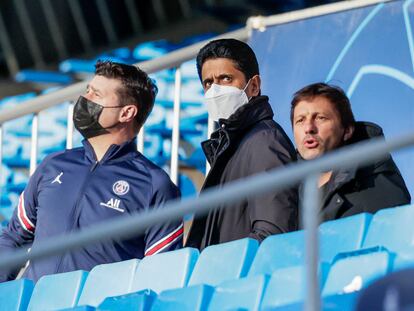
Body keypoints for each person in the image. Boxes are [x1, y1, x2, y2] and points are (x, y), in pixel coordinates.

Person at [0, 61, 183, 282]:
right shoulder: (53, 164)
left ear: (126, 112)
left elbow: (160, 273)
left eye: (96, 95)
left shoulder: (154, 184)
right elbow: (14, 238)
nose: (85, 99)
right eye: (87, 91)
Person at [185, 39, 298, 250]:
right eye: (208, 83)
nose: (215, 90)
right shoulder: (233, 145)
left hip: (241, 278)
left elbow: (272, 234)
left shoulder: (264, 141)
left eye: (226, 79)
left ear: (253, 85)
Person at [291, 82, 411, 222]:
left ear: (347, 130)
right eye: (300, 120)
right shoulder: (287, 190)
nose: (309, 128)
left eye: (320, 118)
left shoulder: (372, 174)